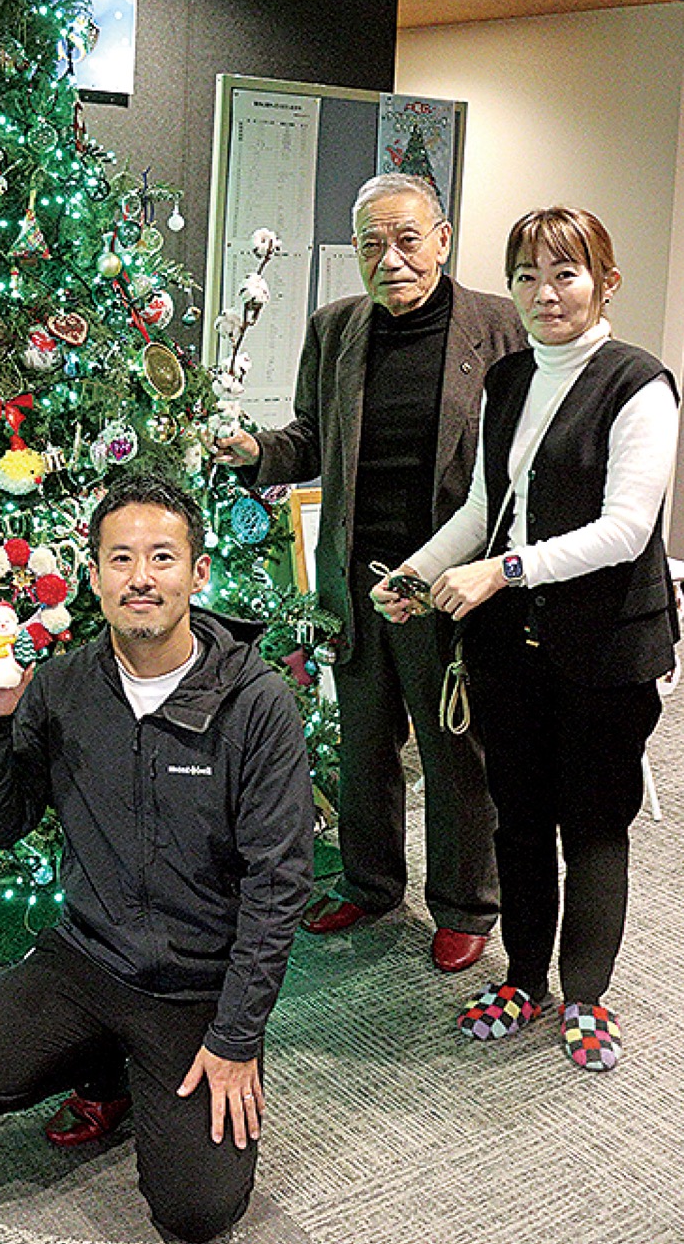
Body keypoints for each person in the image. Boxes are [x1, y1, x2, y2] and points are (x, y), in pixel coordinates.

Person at [0, 469, 315, 1243]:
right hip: (88, 958)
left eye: (163, 557)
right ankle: (108, 1067)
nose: (142, 578)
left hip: (195, 984)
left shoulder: (256, 702)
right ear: (95, 575)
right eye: (122, 558)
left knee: (198, 1210)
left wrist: (235, 1038)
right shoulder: (60, 686)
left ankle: (145, 1067)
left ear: (197, 574)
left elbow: (279, 885)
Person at [373, 207, 680, 1072]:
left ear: (605, 283)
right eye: (526, 276)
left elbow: (625, 530)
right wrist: (416, 573)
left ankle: (585, 997)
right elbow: (484, 509)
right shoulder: (509, 378)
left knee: (593, 828)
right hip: (512, 651)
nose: (545, 293)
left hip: (606, 651)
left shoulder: (638, 384)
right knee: (519, 820)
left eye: (565, 274)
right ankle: (524, 980)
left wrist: (501, 573)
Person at [215, 174, 524, 971]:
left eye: (407, 240)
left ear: (442, 240)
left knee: (454, 751)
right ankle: (371, 881)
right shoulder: (336, 328)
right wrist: (255, 452)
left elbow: (523, 458)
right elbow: (310, 440)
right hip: (357, 578)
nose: (391, 260)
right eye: (371, 245)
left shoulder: (499, 326)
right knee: (363, 744)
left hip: (448, 579)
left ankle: (464, 903)